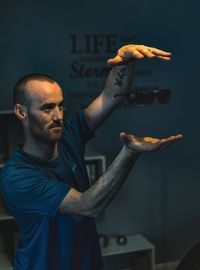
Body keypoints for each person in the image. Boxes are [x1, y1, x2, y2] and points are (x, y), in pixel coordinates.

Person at [0, 44, 182, 270]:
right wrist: (130, 152)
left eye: (60, 106)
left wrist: (126, 61)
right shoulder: (16, 178)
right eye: (47, 108)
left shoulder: (69, 134)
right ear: (21, 112)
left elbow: (109, 97)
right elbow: (87, 205)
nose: (58, 116)